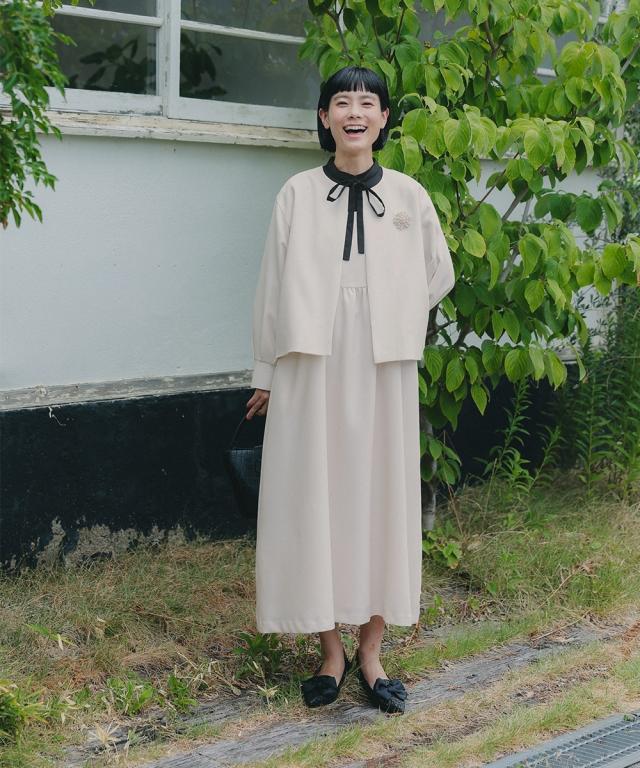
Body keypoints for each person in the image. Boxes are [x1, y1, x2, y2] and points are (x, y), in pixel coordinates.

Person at [245, 65, 455, 714]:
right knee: (315, 493)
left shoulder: (411, 196)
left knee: (381, 493)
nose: (355, 112)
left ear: (385, 119)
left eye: (368, 102)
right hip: (311, 359)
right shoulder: (297, 194)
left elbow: (439, 272)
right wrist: (266, 373)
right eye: (342, 102)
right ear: (324, 117)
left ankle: (372, 651)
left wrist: (391, 312)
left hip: (384, 361)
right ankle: (330, 652)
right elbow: (272, 288)